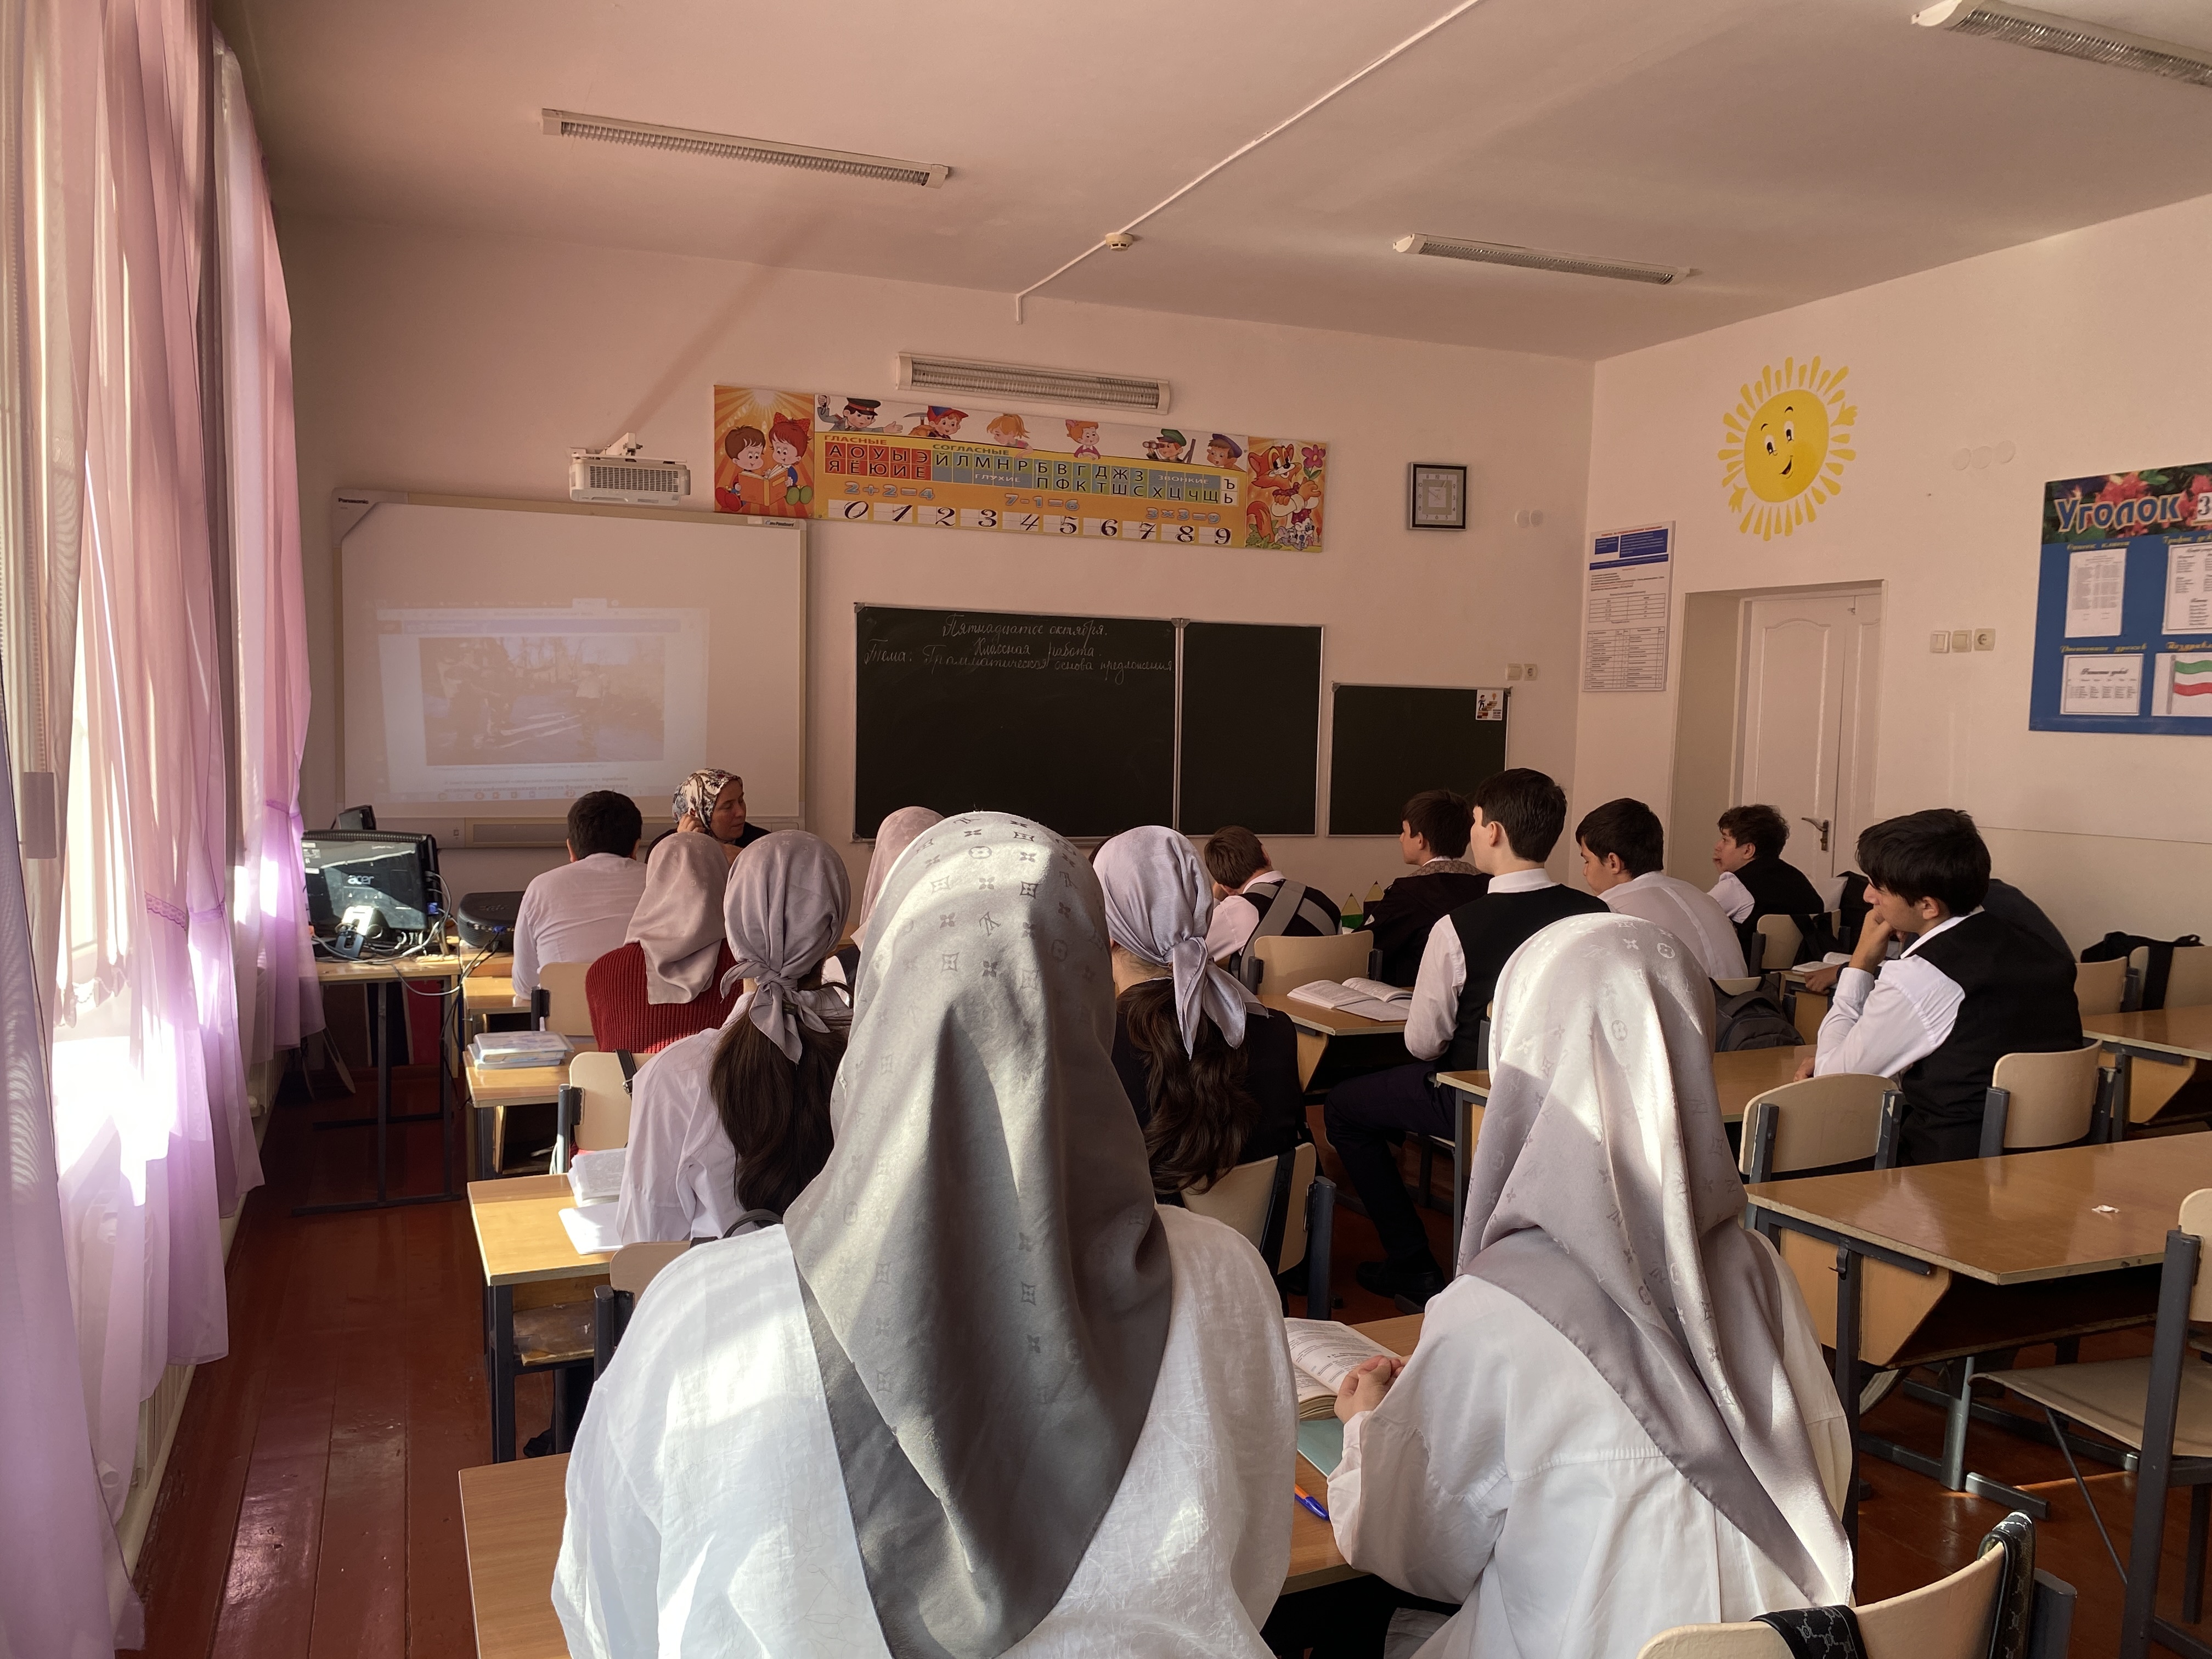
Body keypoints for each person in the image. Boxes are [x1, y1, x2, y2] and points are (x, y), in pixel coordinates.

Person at [557, 813, 1297, 1658]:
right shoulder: (1228, 1280)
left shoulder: (698, 1320)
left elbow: (610, 1617)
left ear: (878, 997)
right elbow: (1251, 1573)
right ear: (1095, 994)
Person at [1328, 915, 1853, 1658]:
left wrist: (1366, 1429)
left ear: (1520, 1055)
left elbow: (1415, 1552)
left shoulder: (1490, 1312)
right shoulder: (1763, 1271)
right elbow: (1823, 1472)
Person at [1324, 769, 1606, 1308]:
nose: (1472, 834)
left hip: (1478, 1098)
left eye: (1475, 823)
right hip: (1576, 1098)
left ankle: (1412, 1261)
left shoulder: (1458, 927)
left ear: (1493, 831)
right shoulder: (1596, 914)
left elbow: (1423, 1046)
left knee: (1343, 1108)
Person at [613, 832, 850, 1243]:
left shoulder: (675, 1074)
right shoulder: (881, 1056)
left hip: (721, 1284)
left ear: (733, 922)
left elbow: (646, 1243)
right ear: (834, 925)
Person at [1810, 809, 2082, 1164]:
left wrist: (1860, 964)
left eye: (1879, 887)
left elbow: (1834, 1082)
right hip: (2054, 1163)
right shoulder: (2039, 949)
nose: (1868, 896)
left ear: (1928, 906)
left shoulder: (1921, 976)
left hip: (1945, 1173)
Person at [1094, 826, 1305, 1194]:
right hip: (1262, 1233)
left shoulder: (1096, 1050)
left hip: (1153, 1233)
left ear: (1107, 932)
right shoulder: (1276, 1031)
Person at [584, 832, 738, 1056]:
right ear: (722, 879)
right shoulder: (750, 969)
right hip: (723, 1080)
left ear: (653, 882)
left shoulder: (604, 971)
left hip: (631, 1080)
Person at [1576, 796, 1748, 983]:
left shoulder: (1611, 914)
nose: (1585, 872)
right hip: (1746, 1000)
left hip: (1691, 1002)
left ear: (1613, 863)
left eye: (1587, 861)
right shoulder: (1702, 897)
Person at [511, 791, 647, 998]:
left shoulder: (541, 888)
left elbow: (525, 987)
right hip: (644, 1017)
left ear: (571, 850)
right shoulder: (663, 881)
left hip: (565, 1020)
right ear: (636, 847)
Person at [1357, 789, 1488, 986]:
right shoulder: (1488, 883)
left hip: (1416, 995)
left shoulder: (1409, 892)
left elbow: (1363, 944)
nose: (1401, 838)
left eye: (1404, 831)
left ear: (1420, 840)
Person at [1200, 824, 1339, 970]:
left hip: (1264, 987)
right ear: (1265, 854)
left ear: (1227, 888)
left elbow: (1188, 956)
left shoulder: (1233, 911)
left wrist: (1214, 899)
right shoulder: (1327, 905)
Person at [1709, 804, 1830, 966]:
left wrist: (1727, 881)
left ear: (1748, 850)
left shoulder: (1735, 886)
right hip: (1800, 972)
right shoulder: (1797, 877)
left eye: (1725, 840)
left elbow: (1694, 921)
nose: (1718, 846)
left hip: (1747, 976)